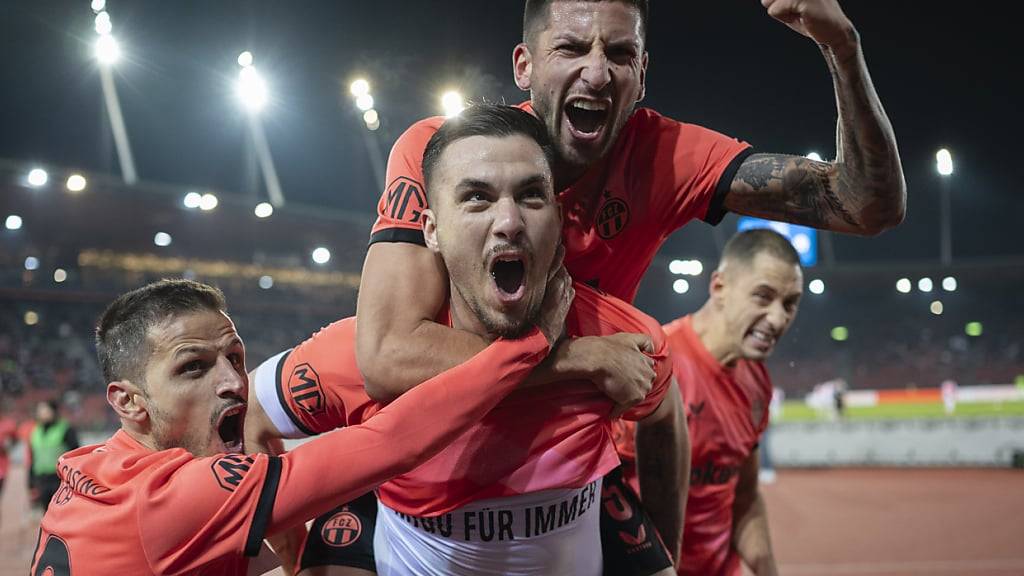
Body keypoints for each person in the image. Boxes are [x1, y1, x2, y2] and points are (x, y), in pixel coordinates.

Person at [355, 0, 904, 563]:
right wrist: (576, 360)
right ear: (524, 65)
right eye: (571, 48)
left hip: (569, 472)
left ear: (642, 74)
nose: (597, 73)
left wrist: (843, 47)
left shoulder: (664, 156)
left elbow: (866, 205)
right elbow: (388, 356)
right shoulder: (447, 155)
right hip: (423, 465)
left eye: (619, 53)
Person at [248, 104, 683, 576]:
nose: (509, 222)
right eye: (477, 198)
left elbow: (665, 414)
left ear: (559, 219)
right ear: (432, 230)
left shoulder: (621, 342)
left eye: (531, 196)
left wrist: (667, 549)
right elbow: (252, 416)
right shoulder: (373, 356)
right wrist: (292, 558)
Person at [30, 277, 567, 574]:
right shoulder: (172, 499)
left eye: (235, 358)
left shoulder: (93, 469)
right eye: (193, 367)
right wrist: (531, 346)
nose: (234, 383)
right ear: (128, 402)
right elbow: (392, 442)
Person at [616, 229, 804, 576]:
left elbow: (745, 497)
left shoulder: (757, 381)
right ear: (719, 287)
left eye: (790, 303)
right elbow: (605, 496)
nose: (779, 318)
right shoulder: (655, 365)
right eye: (763, 297)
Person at [27, 399, 79, 513]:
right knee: (46, 512)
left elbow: (76, 454)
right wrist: (30, 482)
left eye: (45, 410)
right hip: (41, 479)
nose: (41, 413)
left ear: (54, 411)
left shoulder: (66, 429)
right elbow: (33, 457)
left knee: (61, 512)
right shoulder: (36, 431)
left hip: (59, 479)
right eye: (40, 411)